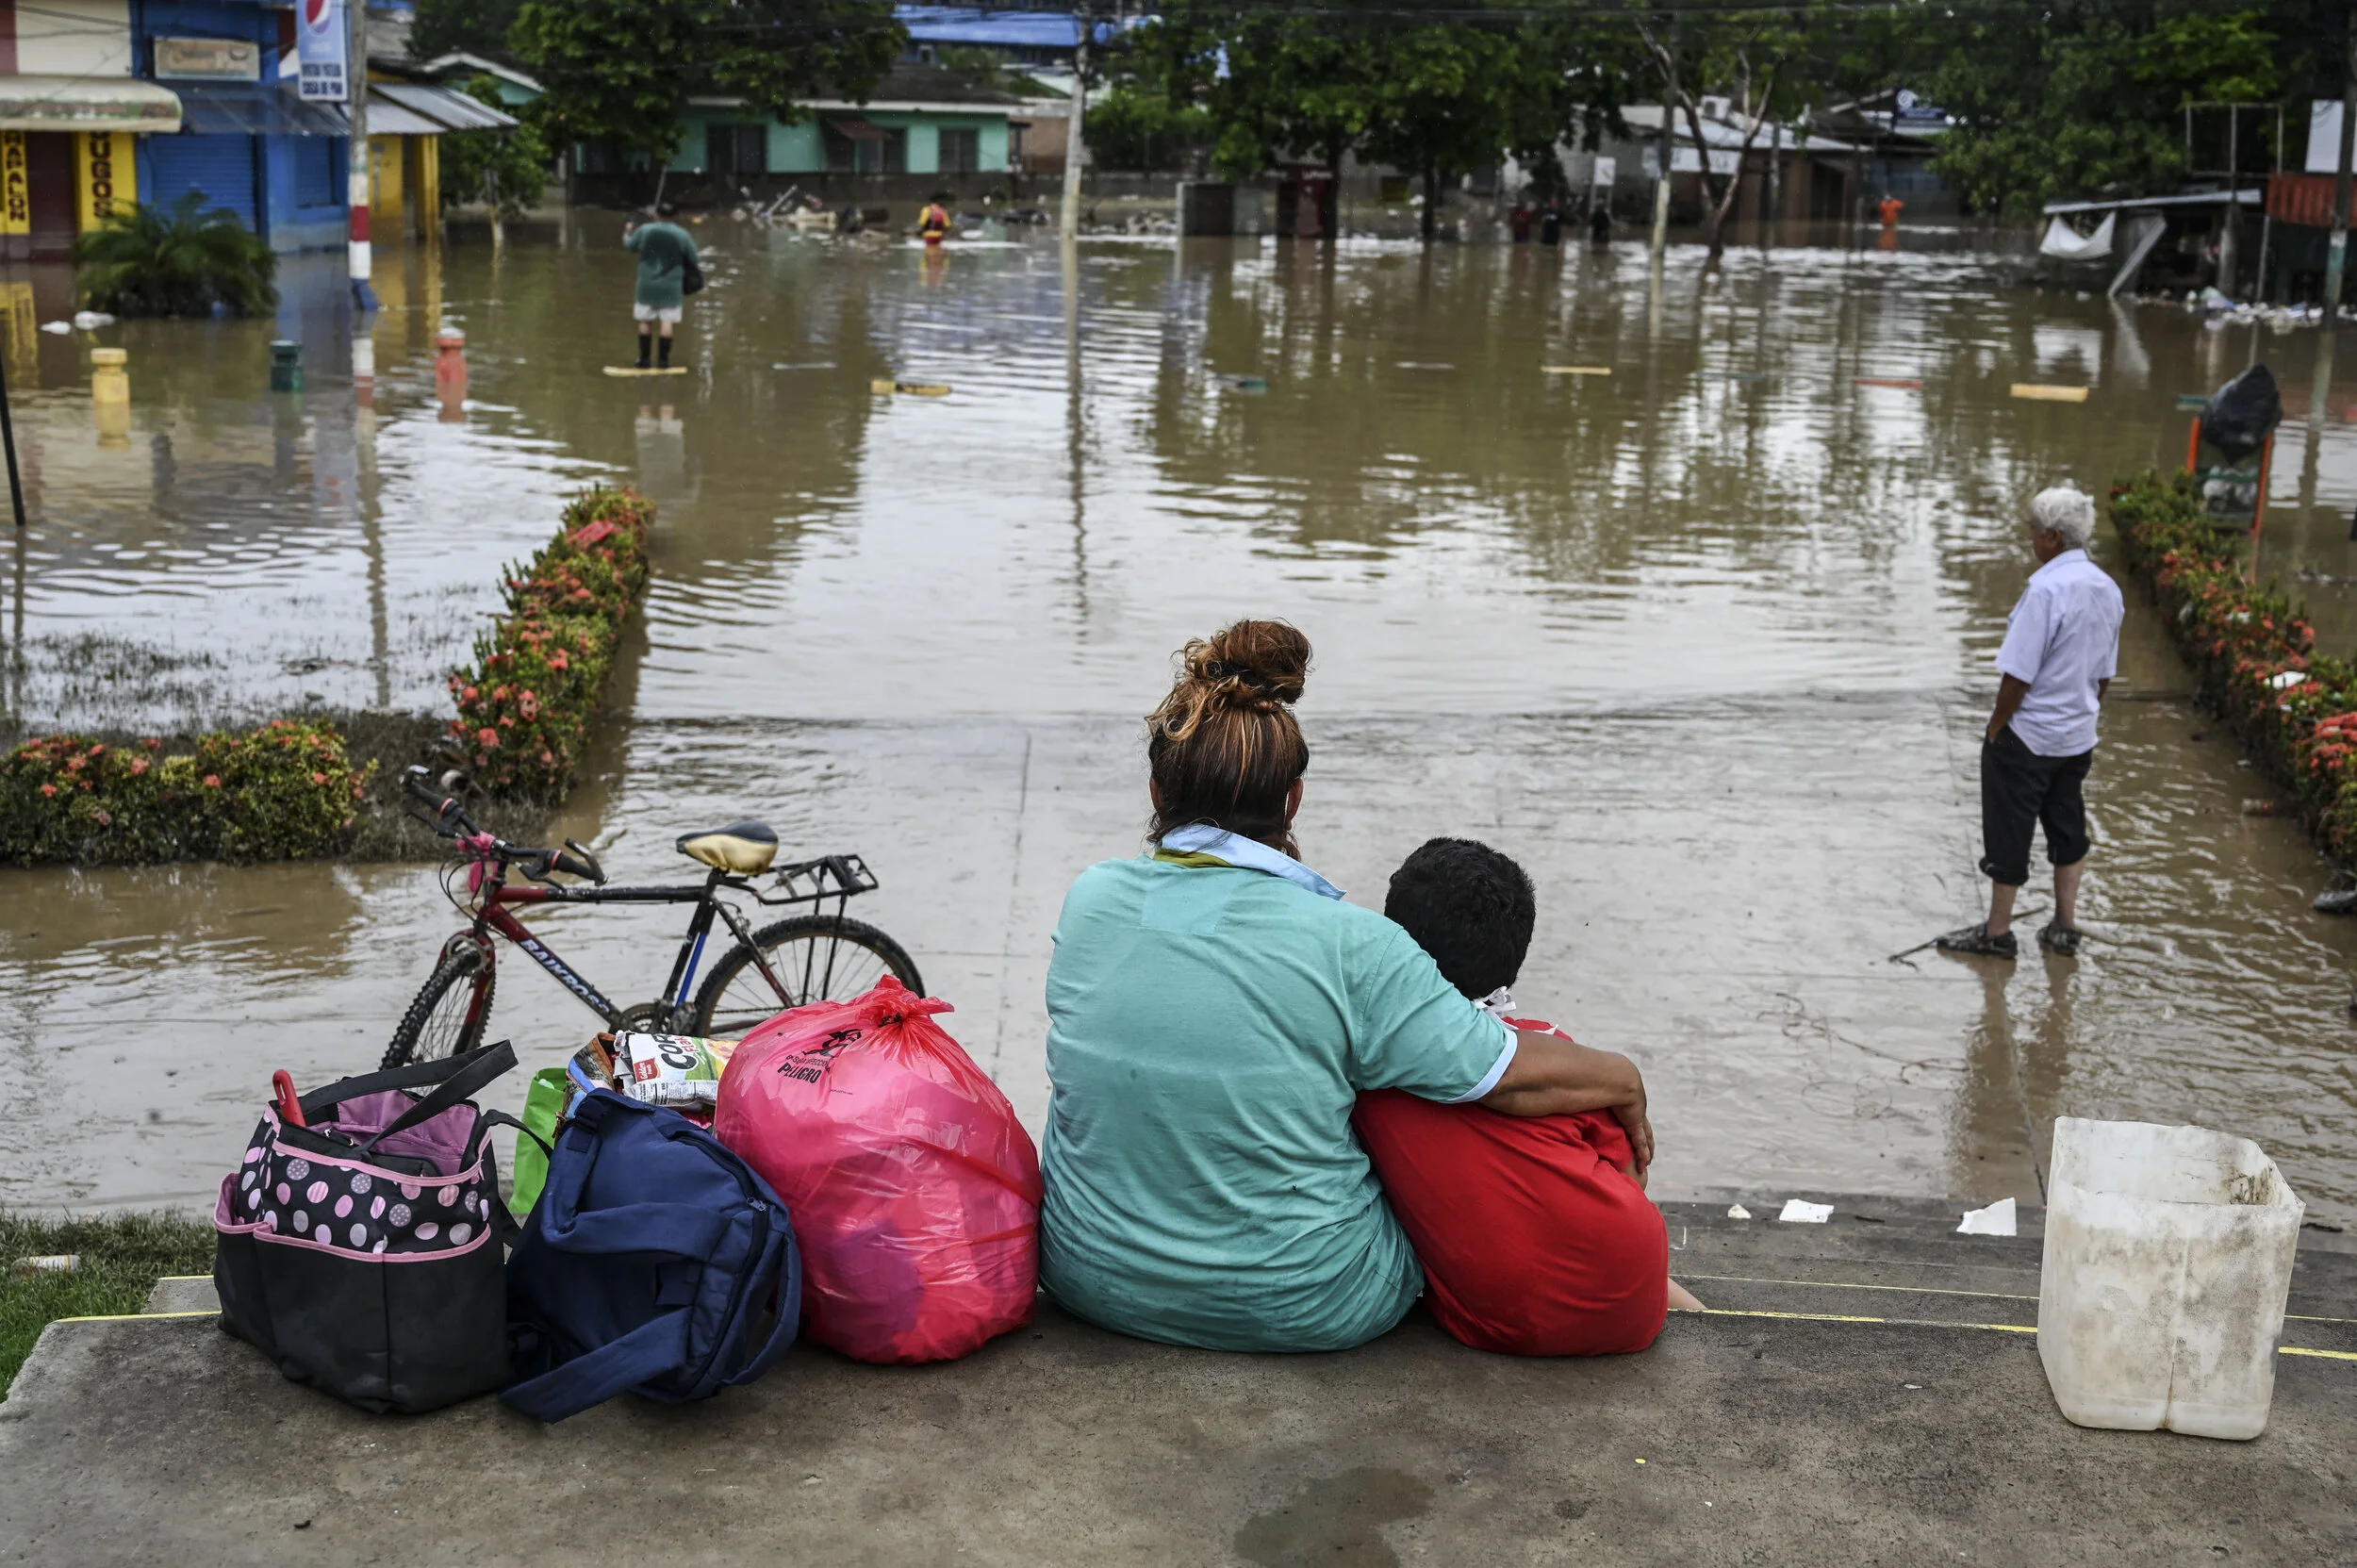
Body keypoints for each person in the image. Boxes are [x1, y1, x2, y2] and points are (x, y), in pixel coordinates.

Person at [1038, 619, 1657, 1353]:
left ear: (1155, 789)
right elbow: (1502, 1075)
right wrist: (1625, 1077)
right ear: (1293, 800)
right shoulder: (1352, 943)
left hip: (1088, 1278)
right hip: (1307, 1301)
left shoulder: (1089, 899)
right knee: (1404, 1096)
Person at [1353, 837, 1700, 1356]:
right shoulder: (1561, 1057)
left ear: (1396, 943)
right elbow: (1632, 1177)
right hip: (1631, 1307)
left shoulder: (1371, 1068)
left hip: (1492, 1324)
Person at [1937, 486, 2124, 960]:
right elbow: (2104, 674)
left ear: (2053, 537)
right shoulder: (2107, 588)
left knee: (2009, 829)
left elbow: (2018, 676)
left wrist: (1996, 728)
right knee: (2068, 825)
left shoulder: (2044, 591)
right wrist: (2082, 711)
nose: (2029, 537)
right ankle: (2064, 926)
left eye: (2034, 530)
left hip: (2029, 736)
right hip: (2077, 736)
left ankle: (1997, 932)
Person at [623, 206, 698, 371]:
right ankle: (664, 362)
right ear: (675, 216)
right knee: (667, 322)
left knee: (645, 321)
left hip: (647, 285)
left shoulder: (645, 230)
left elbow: (629, 246)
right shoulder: (682, 234)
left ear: (657, 214)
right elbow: (693, 257)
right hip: (671, 287)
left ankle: (644, 361)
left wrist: (628, 231)